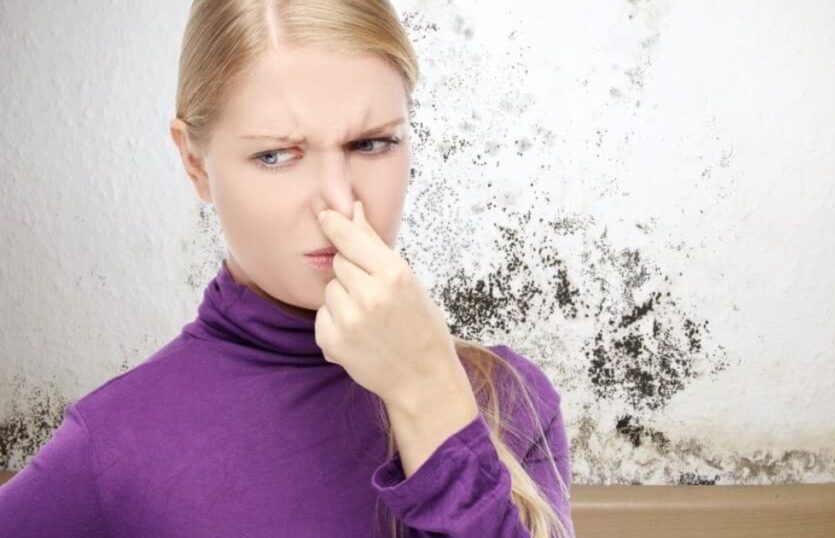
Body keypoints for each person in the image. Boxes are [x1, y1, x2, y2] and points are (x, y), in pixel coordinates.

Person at [0, 1, 574, 537]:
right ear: (194, 163)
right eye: (275, 155)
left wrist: (430, 396)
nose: (336, 204)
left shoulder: (509, 398)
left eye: (372, 144)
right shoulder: (113, 445)